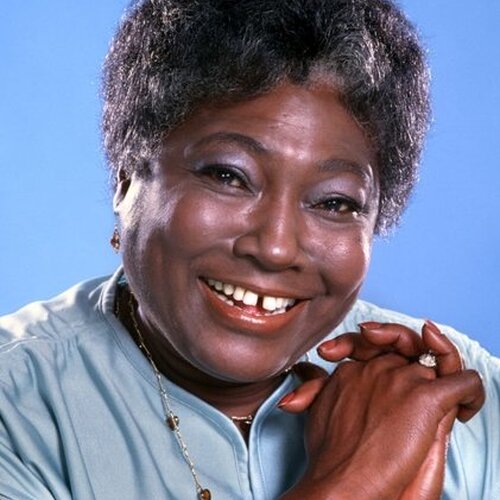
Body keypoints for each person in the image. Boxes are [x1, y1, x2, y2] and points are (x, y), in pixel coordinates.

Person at [0, 0, 496, 499]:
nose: (276, 248)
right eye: (228, 176)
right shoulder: (16, 406)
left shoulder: (462, 400)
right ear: (127, 176)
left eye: (335, 202)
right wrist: (356, 480)